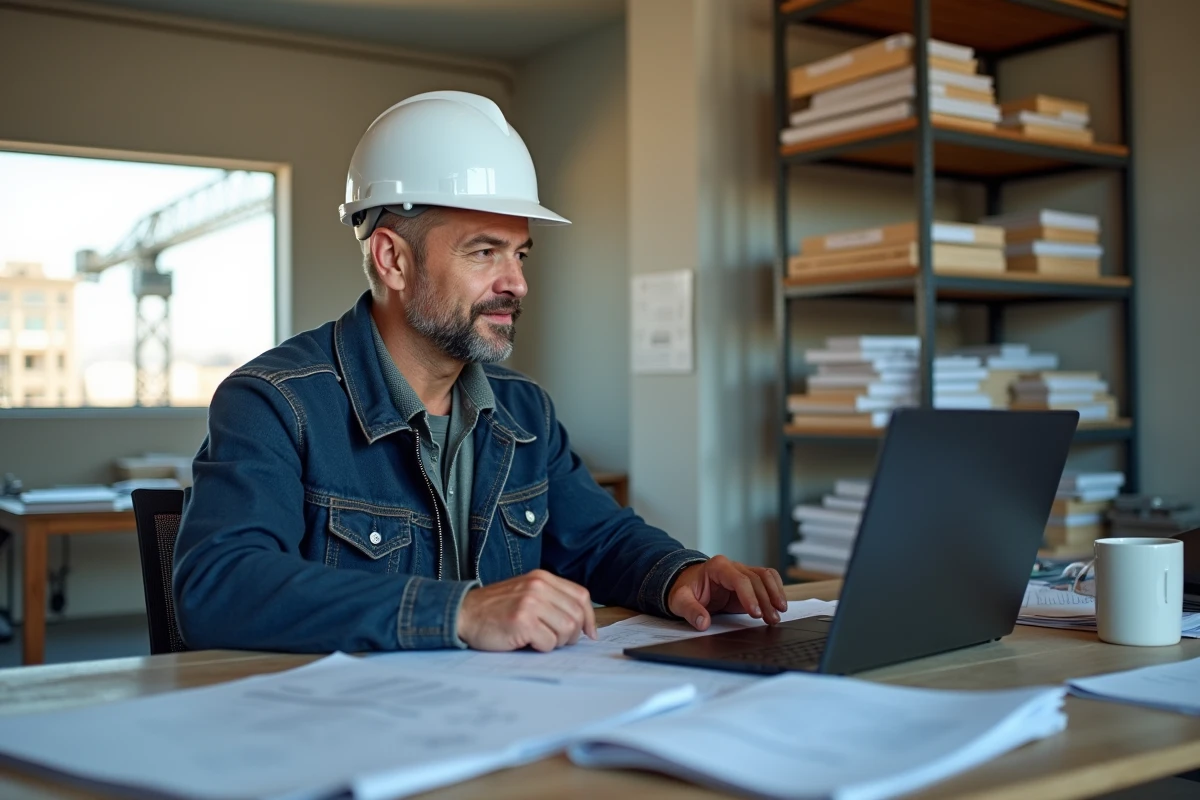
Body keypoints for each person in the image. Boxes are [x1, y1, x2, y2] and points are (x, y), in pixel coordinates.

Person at [174, 91, 786, 654]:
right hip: (343, 742)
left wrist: (682, 572)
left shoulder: (525, 411)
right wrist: (459, 611)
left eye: (519, 253)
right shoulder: (275, 403)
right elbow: (219, 585)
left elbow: (598, 540)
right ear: (392, 258)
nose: (516, 282)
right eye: (484, 251)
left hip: (497, 734)